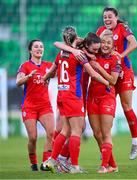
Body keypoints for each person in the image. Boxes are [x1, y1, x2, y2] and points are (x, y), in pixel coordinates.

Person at [44, 26, 109, 173]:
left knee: (66, 130)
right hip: (74, 95)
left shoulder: (61, 53)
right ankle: (74, 166)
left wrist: (44, 78)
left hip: (62, 94)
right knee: (76, 130)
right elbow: (93, 74)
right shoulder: (79, 55)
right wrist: (107, 83)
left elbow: (52, 70)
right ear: (75, 38)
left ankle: (53, 160)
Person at [96, 7, 137, 160]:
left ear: (116, 17)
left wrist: (119, 57)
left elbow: (134, 44)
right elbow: (94, 47)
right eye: (104, 17)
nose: (107, 20)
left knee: (126, 106)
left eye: (110, 17)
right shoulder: (100, 30)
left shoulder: (122, 28)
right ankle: (106, 152)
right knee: (106, 108)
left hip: (125, 71)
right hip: (109, 72)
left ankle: (135, 140)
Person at [16, 39, 55, 171]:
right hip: (29, 106)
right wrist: (28, 76)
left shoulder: (48, 65)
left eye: (41, 47)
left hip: (45, 106)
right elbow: (18, 82)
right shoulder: (25, 65)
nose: (39, 49)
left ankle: (45, 163)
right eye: (36, 47)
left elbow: (58, 69)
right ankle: (33, 163)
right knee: (33, 137)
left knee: (51, 132)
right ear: (30, 50)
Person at [87, 29, 120, 173]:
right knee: (96, 134)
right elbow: (84, 42)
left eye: (109, 43)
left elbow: (113, 81)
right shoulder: (94, 54)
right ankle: (113, 165)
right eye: (103, 42)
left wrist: (99, 67)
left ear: (113, 45)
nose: (105, 45)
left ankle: (104, 166)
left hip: (107, 97)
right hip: (92, 97)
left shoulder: (115, 59)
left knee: (106, 133)